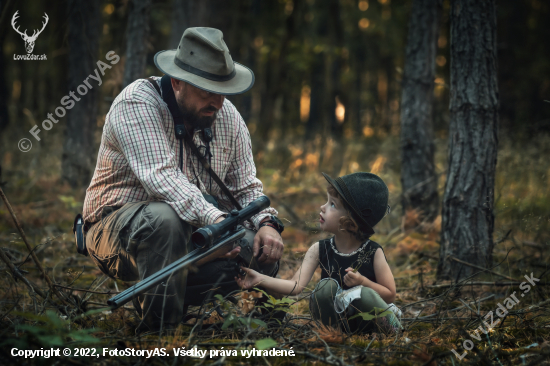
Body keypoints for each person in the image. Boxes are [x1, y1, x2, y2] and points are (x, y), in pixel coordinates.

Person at [82, 27, 284, 332]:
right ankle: (159, 334)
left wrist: (267, 224)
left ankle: (270, 327)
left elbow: (246, 187)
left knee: (259, 245)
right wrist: (217, 226)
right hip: (115, 234)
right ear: (177, 82)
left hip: (195, 233)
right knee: (163, 218)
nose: (217, 102)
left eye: (222, 91)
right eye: (206, 91)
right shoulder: (136, 104)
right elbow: (162, 180)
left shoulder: (227, 116)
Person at [236, 172, 402, 334]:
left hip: (365, 318)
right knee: (325, 287)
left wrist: (363, 282)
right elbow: (295, 286)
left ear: (351, 223)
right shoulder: (319, 249)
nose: (322, 207)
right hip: (333, 319)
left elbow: (389, 294)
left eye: (332, 205)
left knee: (364, 294)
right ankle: (331, 332)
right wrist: (260, 279)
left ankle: (392, 328)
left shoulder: (373, 252)